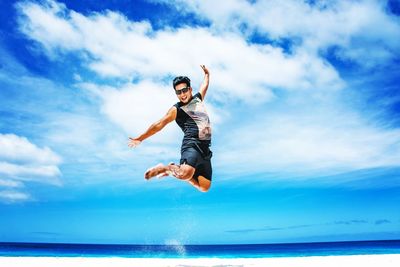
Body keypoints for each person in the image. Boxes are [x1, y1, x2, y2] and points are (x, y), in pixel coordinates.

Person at [128, 65, 213, 192]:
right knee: (186, 174)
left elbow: (204, 86)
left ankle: (173, 170)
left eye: (184, 90)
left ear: (190, 89)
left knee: (204, 187)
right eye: (178, 92)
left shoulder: (197, 99)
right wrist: (140, 138)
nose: (182, 94)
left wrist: (207, 74)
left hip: (205, 150)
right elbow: (159, 125)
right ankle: (165, 168)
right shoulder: (176, 109)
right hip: (191, 144)